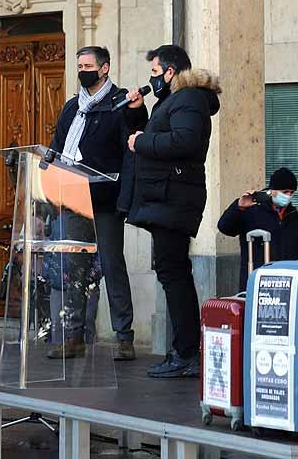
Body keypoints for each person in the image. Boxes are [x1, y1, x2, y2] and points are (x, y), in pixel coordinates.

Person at [119, 44, 221, 379]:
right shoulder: (176, 99)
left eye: (154, 72)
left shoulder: (189, 98)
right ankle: (185, 351)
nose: (151, 79)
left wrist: (141, 142)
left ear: (170, 71)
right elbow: (157, 134)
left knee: (173, 274)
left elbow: (183, 142)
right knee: (172, 272)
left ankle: (187, 353)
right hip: (166, 198)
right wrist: (137, 114)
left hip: (174, 199)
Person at [46, 45, 143, 361]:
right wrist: (46, 168)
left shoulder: (119, 104)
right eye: (79, 64)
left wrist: (125, 200)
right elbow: (57, 147)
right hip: (74, 198)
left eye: (88, 65)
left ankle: (124, 337)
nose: (82, 69)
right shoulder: (72, 107)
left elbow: (134, 137)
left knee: (113, 266)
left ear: (105, 69)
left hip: (106, 200)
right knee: (75, 268)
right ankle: (74, 335)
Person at [217, 167, 298, 291]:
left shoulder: (293, 214)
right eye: (285, 191)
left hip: (286, 283)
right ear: (272, 190)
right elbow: (224, 227)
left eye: (292, 192)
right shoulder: (252, 209)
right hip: (256, 281)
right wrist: (239, 207)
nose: (288, 196)